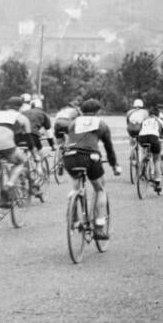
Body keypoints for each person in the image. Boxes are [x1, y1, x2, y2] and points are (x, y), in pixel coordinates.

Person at [64, 98, 121, 238]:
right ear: (98, 111)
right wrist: (114, 165)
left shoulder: (73, 123)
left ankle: (73, 216)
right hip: (90, 157)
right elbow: (109, 148)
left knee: (76, 188)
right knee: (100, 189)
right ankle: (99, 227)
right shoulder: (101, 124)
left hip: (70, 157)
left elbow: (68, 141)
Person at [0, 96, 32, 193]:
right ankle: (10, 184)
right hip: (6, 146)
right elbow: (27, 138)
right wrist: (33, 152)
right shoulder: (21, 117)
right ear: (21, 107)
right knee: (21, 161)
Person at [137, 107, 163, 194]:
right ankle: (157, 182)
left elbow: (140, 130)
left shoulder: (145, 120)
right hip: (153, 137)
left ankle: (143, 166)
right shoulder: (159, 120)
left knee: (144, 150)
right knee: (156, 159)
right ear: (157, 114)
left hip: (142, 138)